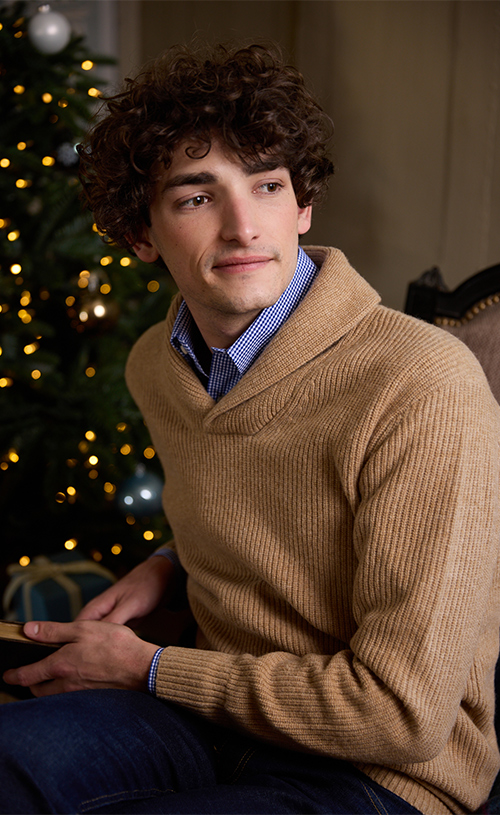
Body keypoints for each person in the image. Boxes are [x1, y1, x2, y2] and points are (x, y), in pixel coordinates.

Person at [1, 42, 499, 815]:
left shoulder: (421, 384)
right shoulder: (155, 364)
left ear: (303, 206)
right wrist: (169, 563)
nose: (242, 227)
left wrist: (149, 667)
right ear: (141, 233)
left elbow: (403, 713)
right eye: (196, 197)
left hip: (379, 772)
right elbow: (267, 496)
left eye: (267, 186)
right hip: (210, 718)